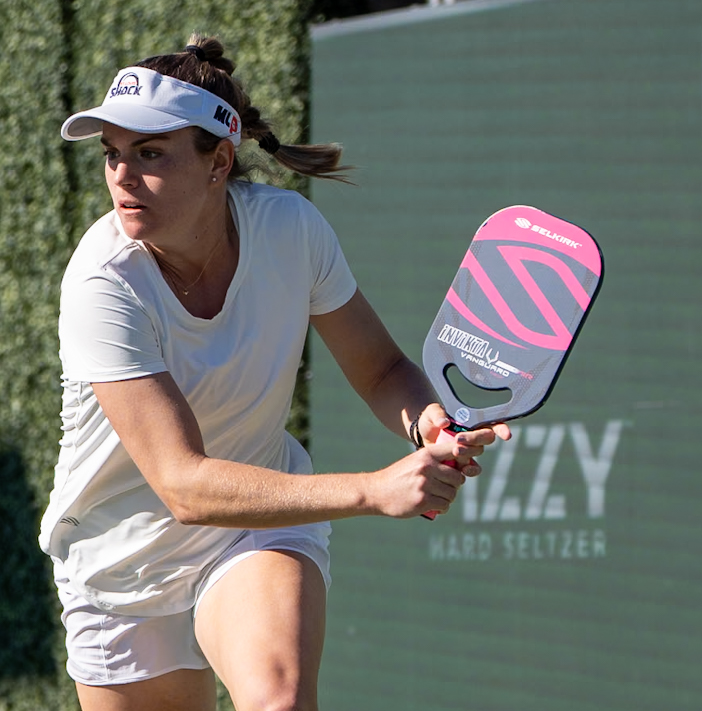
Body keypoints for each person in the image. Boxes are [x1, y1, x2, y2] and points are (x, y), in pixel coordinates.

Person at [39, 33, 511, 711]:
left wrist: (427, 419)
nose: (120, 175)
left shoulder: (291, 231)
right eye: (112, 154)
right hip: (120, 566)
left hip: (250, 530)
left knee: (278, 701)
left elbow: (380, 370)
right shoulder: (100, 282)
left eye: (148, 153)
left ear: (217, 161)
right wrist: (373, 490)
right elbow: (184, 483)